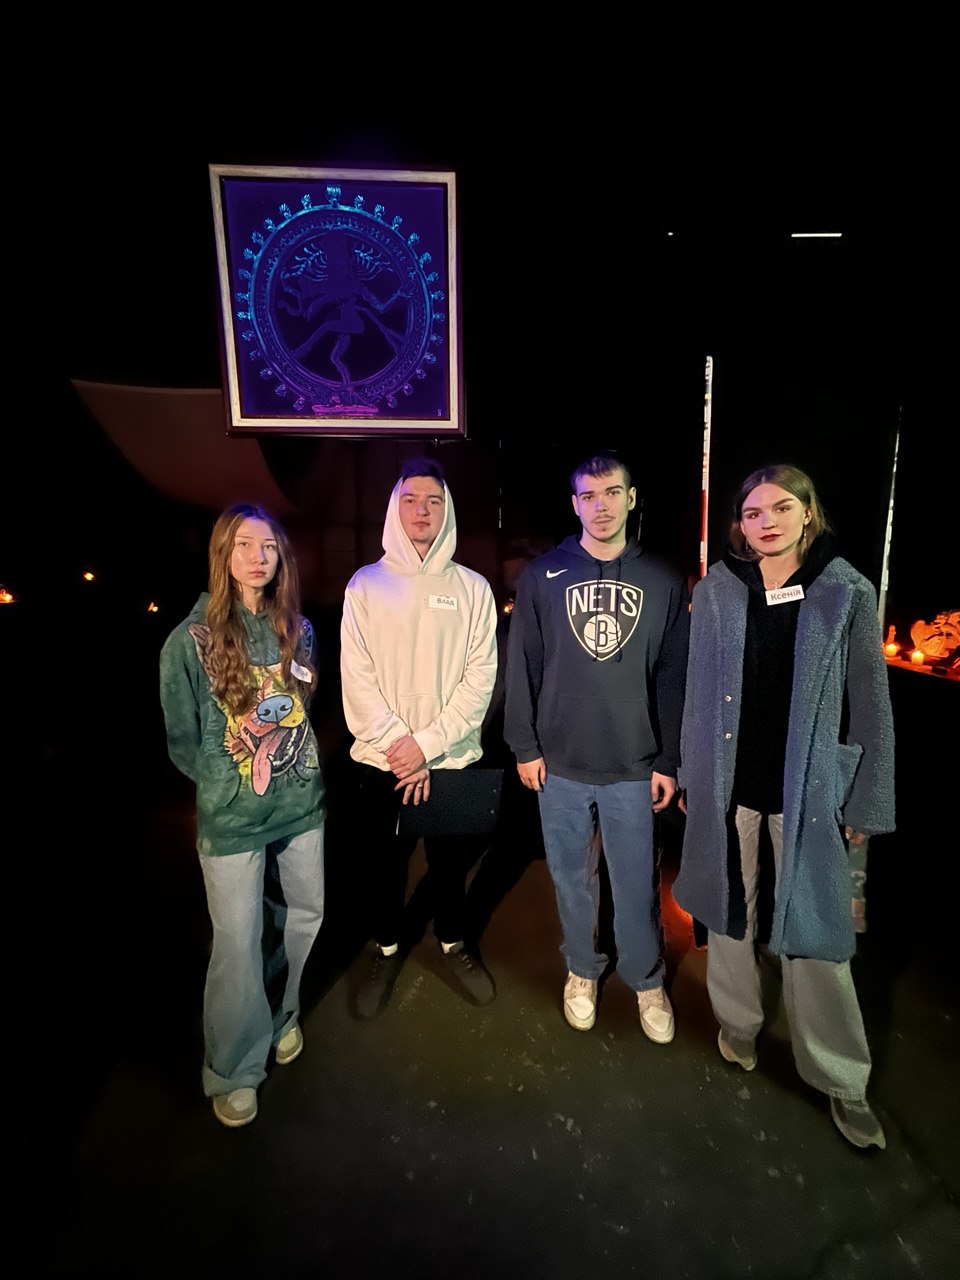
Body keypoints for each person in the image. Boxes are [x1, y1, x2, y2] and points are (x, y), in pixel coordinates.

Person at [672, 464, 895, 1150]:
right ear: (739, 524)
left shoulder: (846, 589)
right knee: (727, 915)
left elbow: (871, 703)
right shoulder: (718, 589)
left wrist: (868, 798)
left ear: (807, 513)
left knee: (817, 934)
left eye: (780, 508)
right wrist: (690, 775)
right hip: (728, 786)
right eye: (752, 512)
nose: (765, 522)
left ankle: (841, 1078)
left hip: (810, 791)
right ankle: (738, 1023)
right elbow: (697, 692)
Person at [504, 451, 690, 1043]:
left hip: (634, 763)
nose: (601, 505)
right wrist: (524, 745)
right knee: (571, 876)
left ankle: (646, 978)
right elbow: (522, 664)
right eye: (588, 495)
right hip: (559, 761)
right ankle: (582, 969)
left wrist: (668, 759)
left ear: (631, 499)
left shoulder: (662, 579)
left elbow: (673, 676)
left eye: (612, 493)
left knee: (636, 880)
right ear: (574, 504)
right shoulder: (542, 576)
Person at [159, 503, 325, 1129]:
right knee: (236, 941)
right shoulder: (189, 639)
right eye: (244, 545)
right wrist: (225, 785)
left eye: (269, 546)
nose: (258, 557)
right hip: (232, 821)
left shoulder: (299, 629)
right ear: (223, 554)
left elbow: (303, 708)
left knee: (301, 917)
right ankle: (234, 1066)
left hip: (300, 807)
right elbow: (183, 739)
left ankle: (281, 1015)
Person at [340, 456, 499, 1016]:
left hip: (451, 759)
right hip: (381, 760)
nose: (422, 511)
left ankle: (453, 942)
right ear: (395, 508)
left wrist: (427, 746)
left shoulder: (473, 588)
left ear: (447, 509)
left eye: (433, 501)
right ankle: (386, 948)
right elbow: (357, 679)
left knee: (450, 868)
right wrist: (401, 748)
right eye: (410, 500)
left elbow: (480, 679)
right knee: (383, 868)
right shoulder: (366, 585)